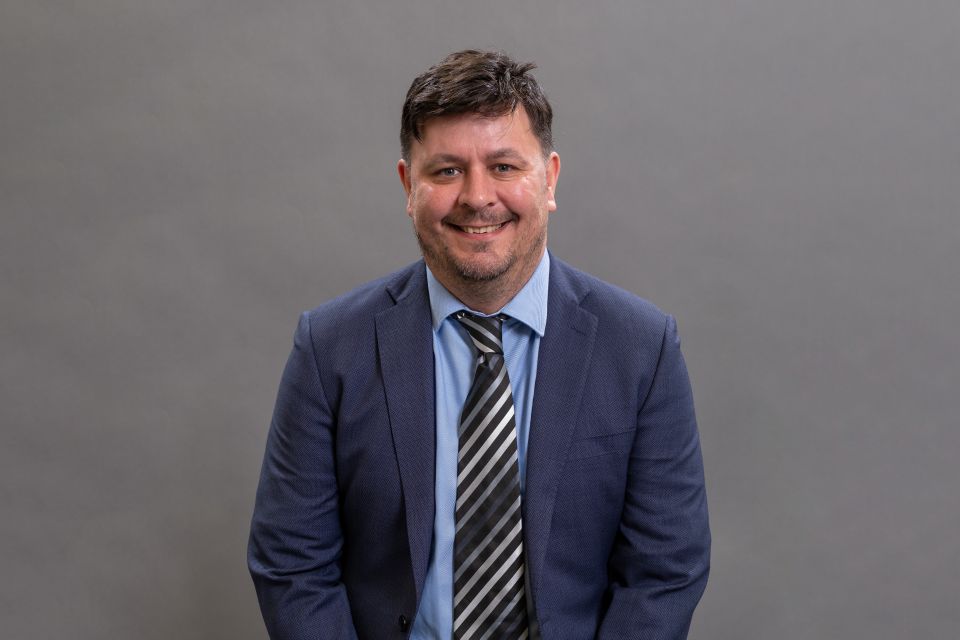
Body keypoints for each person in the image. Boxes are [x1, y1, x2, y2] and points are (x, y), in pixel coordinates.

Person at [248, 49, 710, 640]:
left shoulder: (641, 349)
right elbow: (291, 565)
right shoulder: (330, 348)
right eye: (446, 171)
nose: (476, 196)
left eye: (503, 166)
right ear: (406, 185)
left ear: (550, 179)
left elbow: (665, 573)